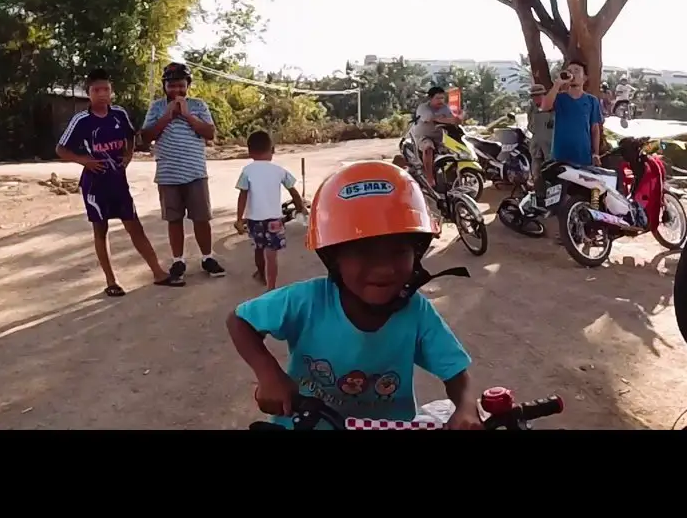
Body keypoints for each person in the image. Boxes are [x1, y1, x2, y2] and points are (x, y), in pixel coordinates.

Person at [226, 160, 483, 430]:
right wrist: (269, 374)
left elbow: (457, 375)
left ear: (417, 253)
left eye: (399, 251)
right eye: (364, 252)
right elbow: (239, 320)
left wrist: (466, 407)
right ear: (333, 257)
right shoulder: (307, 301)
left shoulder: (417, 313)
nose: (384, 269)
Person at [56, 68, 181, 296]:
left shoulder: (119, 114)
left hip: (118, 182)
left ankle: (158, 272)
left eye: (106, 89)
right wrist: (84, 160)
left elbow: (131, 136)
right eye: (96, 90)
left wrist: (128, 155)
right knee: (101, 230)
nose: (102, 94)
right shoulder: (82, 120)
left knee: (135, 226)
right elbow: (60, 149)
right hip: (94, 185)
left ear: (112, 91)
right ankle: (111, 281)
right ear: (89, 93)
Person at [140, 62, 226, 280]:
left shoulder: (198, 105)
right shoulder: (157, 107)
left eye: (180, 85)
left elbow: (209, 133)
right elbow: (146, 136)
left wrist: (188, 115)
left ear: (188, 85)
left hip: (195, 172)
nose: (176, 90)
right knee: (174, 220)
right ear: (165, 87)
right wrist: (167, 115)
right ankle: (178, 261)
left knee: (201, 218)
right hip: (168, 174)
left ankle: (207, 257)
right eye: (171, 86)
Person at [234, 130, 308, 291]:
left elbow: (242, 195)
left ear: (249, 151)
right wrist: (301, 208)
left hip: (254, 220)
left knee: (258, 249)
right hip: (275, 220)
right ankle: (271, 286)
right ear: (272, 150)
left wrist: (239, 218)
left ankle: (260, 273)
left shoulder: (247, 171)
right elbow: (293, 191)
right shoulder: (279, 170)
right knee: (271, 253)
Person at [540, 60, 603, 167]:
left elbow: (595, 129)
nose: (572, 74)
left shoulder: (592, 101)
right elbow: (544, 106)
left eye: (577, 71)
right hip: (560, 158)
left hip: (583, 157)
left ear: (585, 77)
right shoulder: (559, 98)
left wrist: (596, 154)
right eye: (569, 71)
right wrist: (557, 84)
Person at [411, 86, 462, 193]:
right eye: (438, 98)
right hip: (424, 136)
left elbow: (454, 120)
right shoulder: (423, 108)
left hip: (440, 138)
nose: (441, 101)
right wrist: (450, 120)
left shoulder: (445, 108)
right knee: (428, 148)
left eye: (442, 98)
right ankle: (430, 179)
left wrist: (459, 119)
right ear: (431, 98)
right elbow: (432, 118)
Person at [526, 82, 555, 210]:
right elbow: (530, 126)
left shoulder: (552, 106)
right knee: (536, 173)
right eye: (534, 96)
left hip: (550, 146)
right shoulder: (531, 108)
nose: (536, 98)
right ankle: (540, 199)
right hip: (536, 145)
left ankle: (552, 201)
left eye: (539, 95)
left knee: (551, 173)